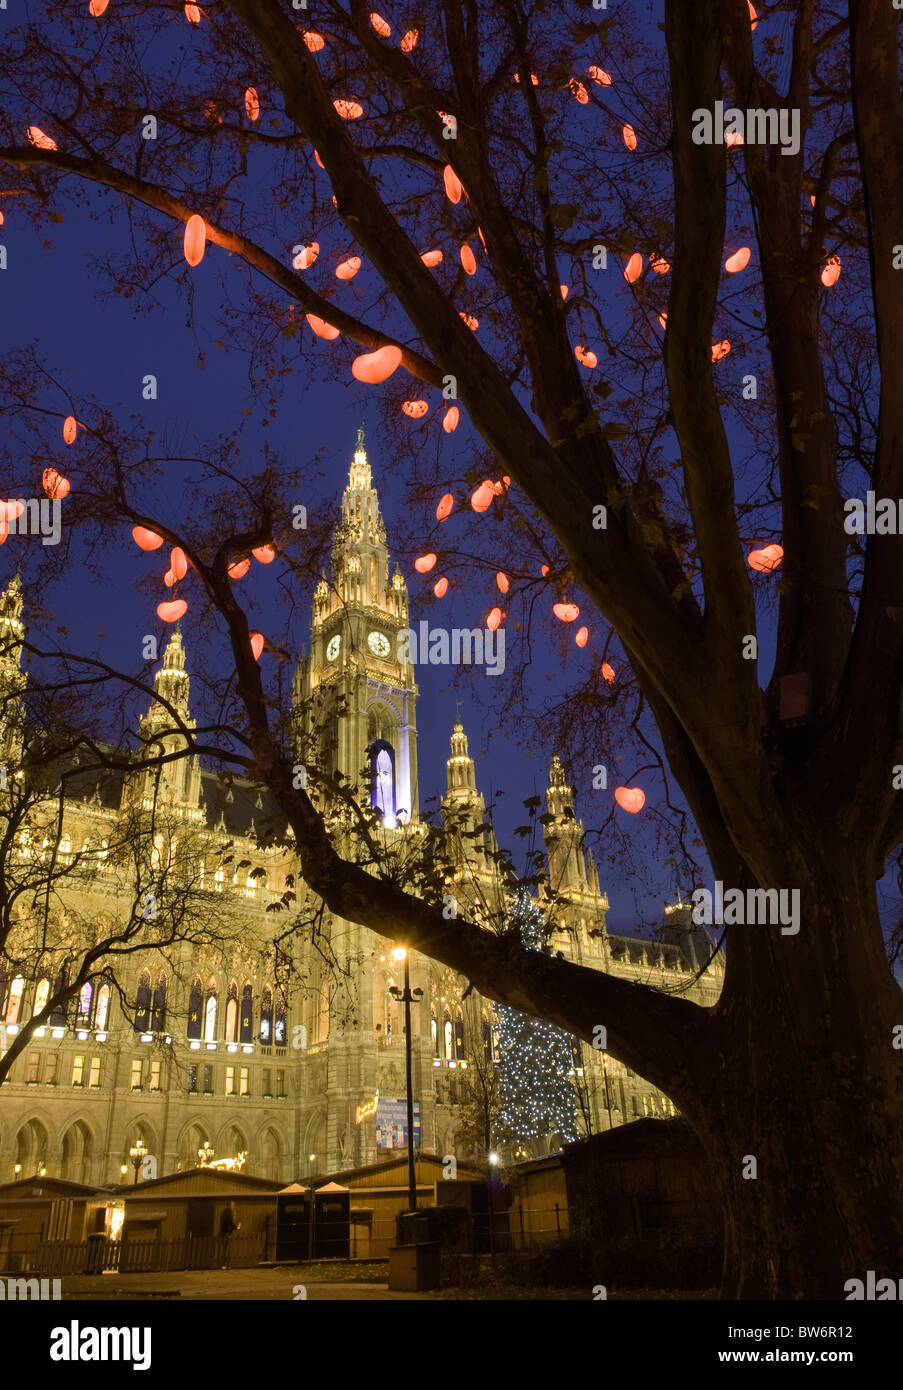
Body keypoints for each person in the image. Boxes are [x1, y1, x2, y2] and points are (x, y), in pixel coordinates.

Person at [219, 1202, 238, 1269]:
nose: (233, 1207)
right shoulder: (227, 1214)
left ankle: (225, 1264)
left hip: (225, 1233)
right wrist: (235, 1226)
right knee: (226, 1249)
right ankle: (225, 1264)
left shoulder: (225, 1213)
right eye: (232, 1205)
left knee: (225, 1249)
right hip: (226, 1233)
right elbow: (229, 1223)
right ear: (229, 1206)